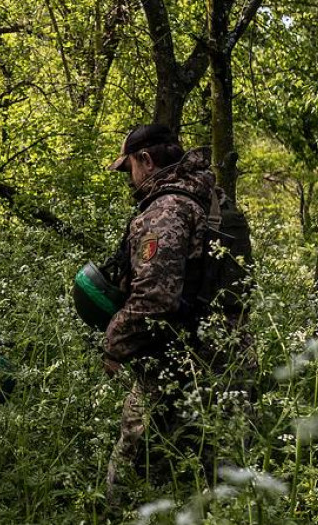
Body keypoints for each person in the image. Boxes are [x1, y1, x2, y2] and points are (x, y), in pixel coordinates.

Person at [100, 125, 257, 500]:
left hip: (176, 361)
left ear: (146, 160)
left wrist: (114, 343)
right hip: (231, 358)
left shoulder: (165, 210)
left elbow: (155, 299)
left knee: (129, 476)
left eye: (129, 169)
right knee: (229, 482)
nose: (129, 180)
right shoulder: (213, 199)